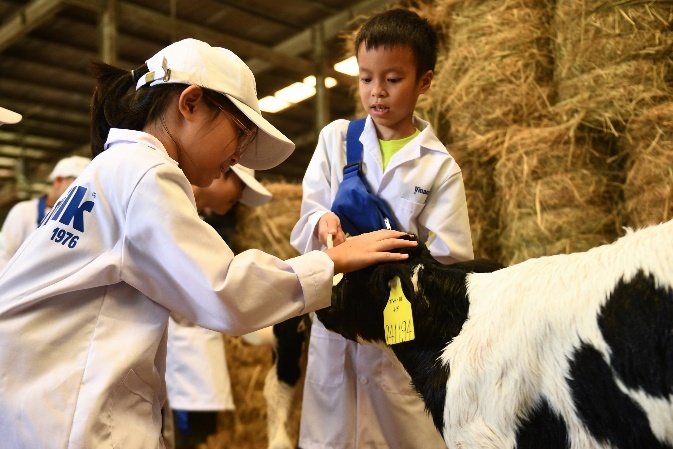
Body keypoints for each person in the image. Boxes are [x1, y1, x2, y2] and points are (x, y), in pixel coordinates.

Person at [0, 37, 417, 449]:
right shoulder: (147, 174)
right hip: (68, 412)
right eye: (240, 133)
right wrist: (333, 260)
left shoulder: (115, 168)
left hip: (43, 404)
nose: (238, 155)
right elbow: (226, 290)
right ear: (191, 103)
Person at [290, 9, 474, 449]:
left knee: (405, 430)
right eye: (366, 78)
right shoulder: (337, 140)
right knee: (330, 432)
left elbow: (452, 257)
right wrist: (322, 222)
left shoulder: (438, 167)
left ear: (424, 81)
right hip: (336, 316)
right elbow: (306, 216)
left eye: (392, 79)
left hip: (400, 327)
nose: (377, 92)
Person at [166, 165, 272, 449]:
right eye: (240, 187)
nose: (239, 198)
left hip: (187, 353)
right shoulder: (168, 206)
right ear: (222, 170)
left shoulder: (195, 220)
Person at [0, 155, 90, 270]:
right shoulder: (24, 211)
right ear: (58, 181)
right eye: (79, 183)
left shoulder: (82, 217)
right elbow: (4, 255)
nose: (84, 190)